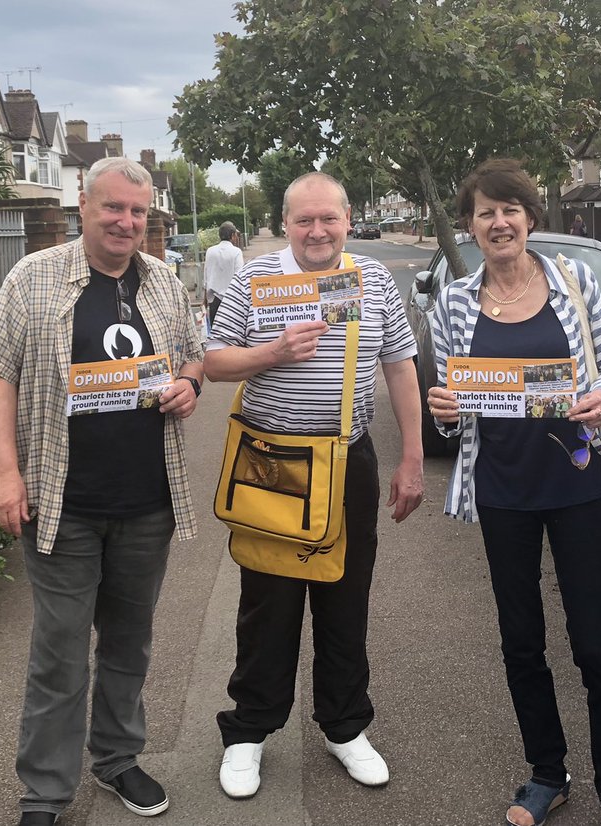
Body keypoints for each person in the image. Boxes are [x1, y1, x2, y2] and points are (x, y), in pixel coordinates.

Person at [0, 156, 205, 826]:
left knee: (130, 646)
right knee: (60, 654)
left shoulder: (161, 281)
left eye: (137, 212)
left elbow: (193, 355)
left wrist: (190, 383)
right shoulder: (33, 275)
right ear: (83, 202)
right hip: (61, 504)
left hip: (148, 505)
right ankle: (44, 793)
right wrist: (4, 472)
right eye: (113, 208)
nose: (126, 222)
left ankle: (116, 758)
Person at [427, 158, 601, 826]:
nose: (499, 222)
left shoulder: (573, 282)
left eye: (510, 209)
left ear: (530, 218)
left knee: (595, 642)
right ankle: (547, 774)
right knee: (520, 641)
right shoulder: (454, 304)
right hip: (501, 489)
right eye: (485, 212)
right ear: (470, 227)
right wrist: (443, 409)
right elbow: (453, 404)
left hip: (574, 481)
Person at [206, 172, 424, 799]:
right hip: (272, 461)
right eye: (304, 219)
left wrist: (411, 458)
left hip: (348, 459)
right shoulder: (256, 279)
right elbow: (214, 362)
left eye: (328, 218)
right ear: (285, 223)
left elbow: (401, 367)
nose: (317, 230)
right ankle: (248, 729)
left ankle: (345, 725)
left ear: (348, 220)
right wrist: (272, 353)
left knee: (345, 598)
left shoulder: (373, 280)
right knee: (266, 601)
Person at [204, 221, 245, 325]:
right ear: (232, 235)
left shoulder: (210, 251)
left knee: (215, 334)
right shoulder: (236, 252)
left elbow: (206, 277)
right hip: (231, 301)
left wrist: (205, 300)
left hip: (214, 301)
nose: (236, 237)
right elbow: (240, 276)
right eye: (236, 235)